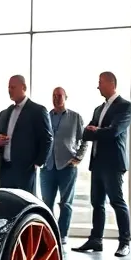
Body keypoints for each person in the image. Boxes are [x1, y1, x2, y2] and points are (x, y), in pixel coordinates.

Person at [75, 71, 131, 257]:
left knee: (117, 201)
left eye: (100, 82)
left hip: (113, 163)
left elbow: (114, 131)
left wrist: (97, 130)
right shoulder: (98, 109)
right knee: (97, 203)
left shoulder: (124, 106)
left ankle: (124, 242)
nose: (97, 86)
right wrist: (96, 130)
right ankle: (96, 240)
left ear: (110, 83)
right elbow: (86, 133)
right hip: (97, 163)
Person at [40, 86, 87, 243]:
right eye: (54, 95)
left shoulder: (75, 117)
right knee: (46, 203)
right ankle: (49, 234)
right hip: (47, 167)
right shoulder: (46, 116)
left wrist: (78, 157)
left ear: (66, 97)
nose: (56, 98)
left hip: (67, 166)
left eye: (59, 95)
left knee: (66, 203)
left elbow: (84, 140)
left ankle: (62, 235)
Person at [0, 74, 52, 195]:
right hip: (5, 171)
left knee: (24, 207)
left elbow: (47, 139)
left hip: (25, 171)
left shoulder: (38, 111)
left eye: (13, 87)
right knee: (5, 206)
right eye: (8, 87)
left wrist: (38, 162)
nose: (9, 90)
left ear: (23, 87)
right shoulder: (4, 113)